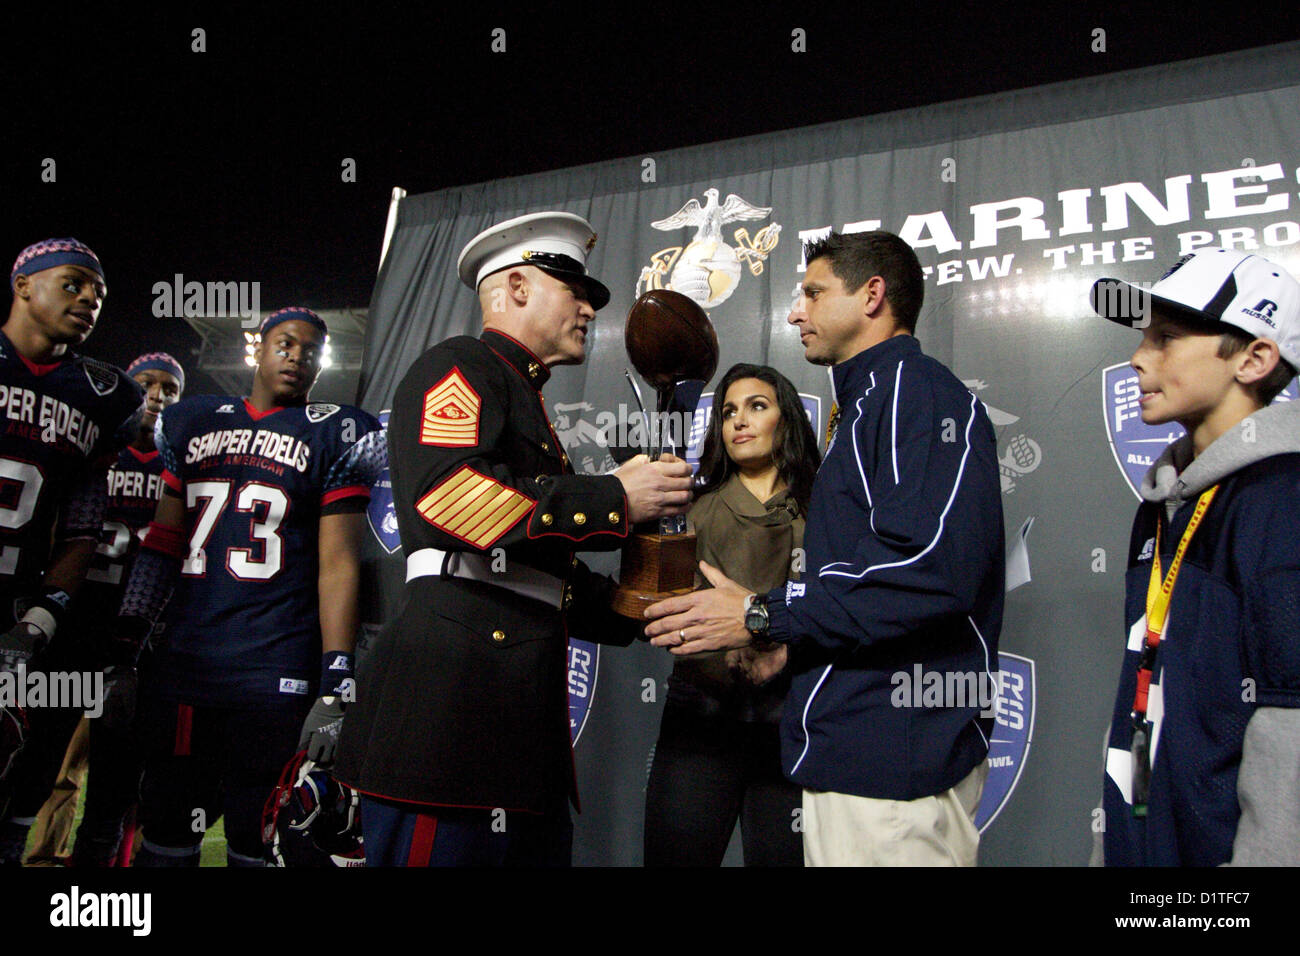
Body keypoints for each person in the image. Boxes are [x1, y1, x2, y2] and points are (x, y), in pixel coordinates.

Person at [334, 211, 695, 866]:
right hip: (447, 739)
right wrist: (614, 496)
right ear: (518, 287)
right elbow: (451, 497)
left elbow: (531, 571)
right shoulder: (459, 365)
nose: (589, 307)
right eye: (576, 290)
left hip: (512, 744)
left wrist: (640, 607)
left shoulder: (520, 394)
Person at [645, 230, 1005, 866]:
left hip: (893, 756)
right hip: (851, 747)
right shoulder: (866, 404)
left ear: (872, 296)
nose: (794, 313)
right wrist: (788, 642)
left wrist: (761, 613)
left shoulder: (910, 392)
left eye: (812, 294)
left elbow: (929, 570)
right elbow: (862, 577)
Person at [114, 307, 384, 867]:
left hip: (273, 669)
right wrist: (126, 645)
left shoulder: (336, 430)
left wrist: (337, 680)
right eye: (285, 343)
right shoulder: (192, 420)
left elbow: (339, 564)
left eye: (311, 349)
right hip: (188, 663)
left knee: (256, 836)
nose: (297, 356)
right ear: (257, 348)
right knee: (165, 829)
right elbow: (163, 543)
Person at [1090, 248, 1300, 866]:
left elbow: (1289, 723)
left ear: (1255, 358)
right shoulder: (1161, 504)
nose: (1138, 357)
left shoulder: (1283, 500)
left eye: (1168, 338)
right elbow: (1144, 686)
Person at [0, 239, 144, 866]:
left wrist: (39, 619)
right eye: (73, 283)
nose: (89, 299)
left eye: (99, 294)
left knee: (18, 761)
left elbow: (83, 525)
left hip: (19, 611)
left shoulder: (103, 395)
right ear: (24, 284)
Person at [644, 363, 820, 867]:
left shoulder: (827, 507)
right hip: (700, 720)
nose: (739, 421)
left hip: (793, 724)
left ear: (786, 419)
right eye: (728, 412)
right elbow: (654, 612)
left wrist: (764, 624)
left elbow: (849, 608)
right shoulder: (690, 509)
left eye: (757, 406)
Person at [41, 353, 184, 868]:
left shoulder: (178, 465)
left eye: (170, 387)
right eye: (147, 382)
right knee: (48, 764)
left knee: (117, 781)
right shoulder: (99, 450)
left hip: (137, 645)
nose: (158, 394)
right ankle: (37, 857)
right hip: (76, 628)